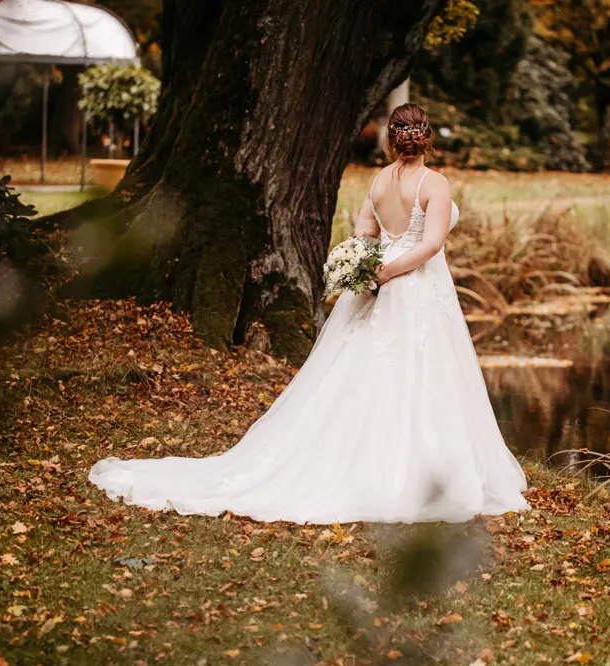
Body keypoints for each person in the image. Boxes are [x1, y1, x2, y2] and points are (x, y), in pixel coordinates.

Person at [89, 103, 530, 524]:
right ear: (426, 138)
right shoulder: (435, 183)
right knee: (422, 375)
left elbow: (365, 232)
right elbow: (431, 244)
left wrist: (368, 267)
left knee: (367, 372)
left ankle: (373, 460)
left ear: (392, 141)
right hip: (414, 286)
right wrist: (388, 272)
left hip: (381, 280)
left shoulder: (378, 182)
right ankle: (422, 473)